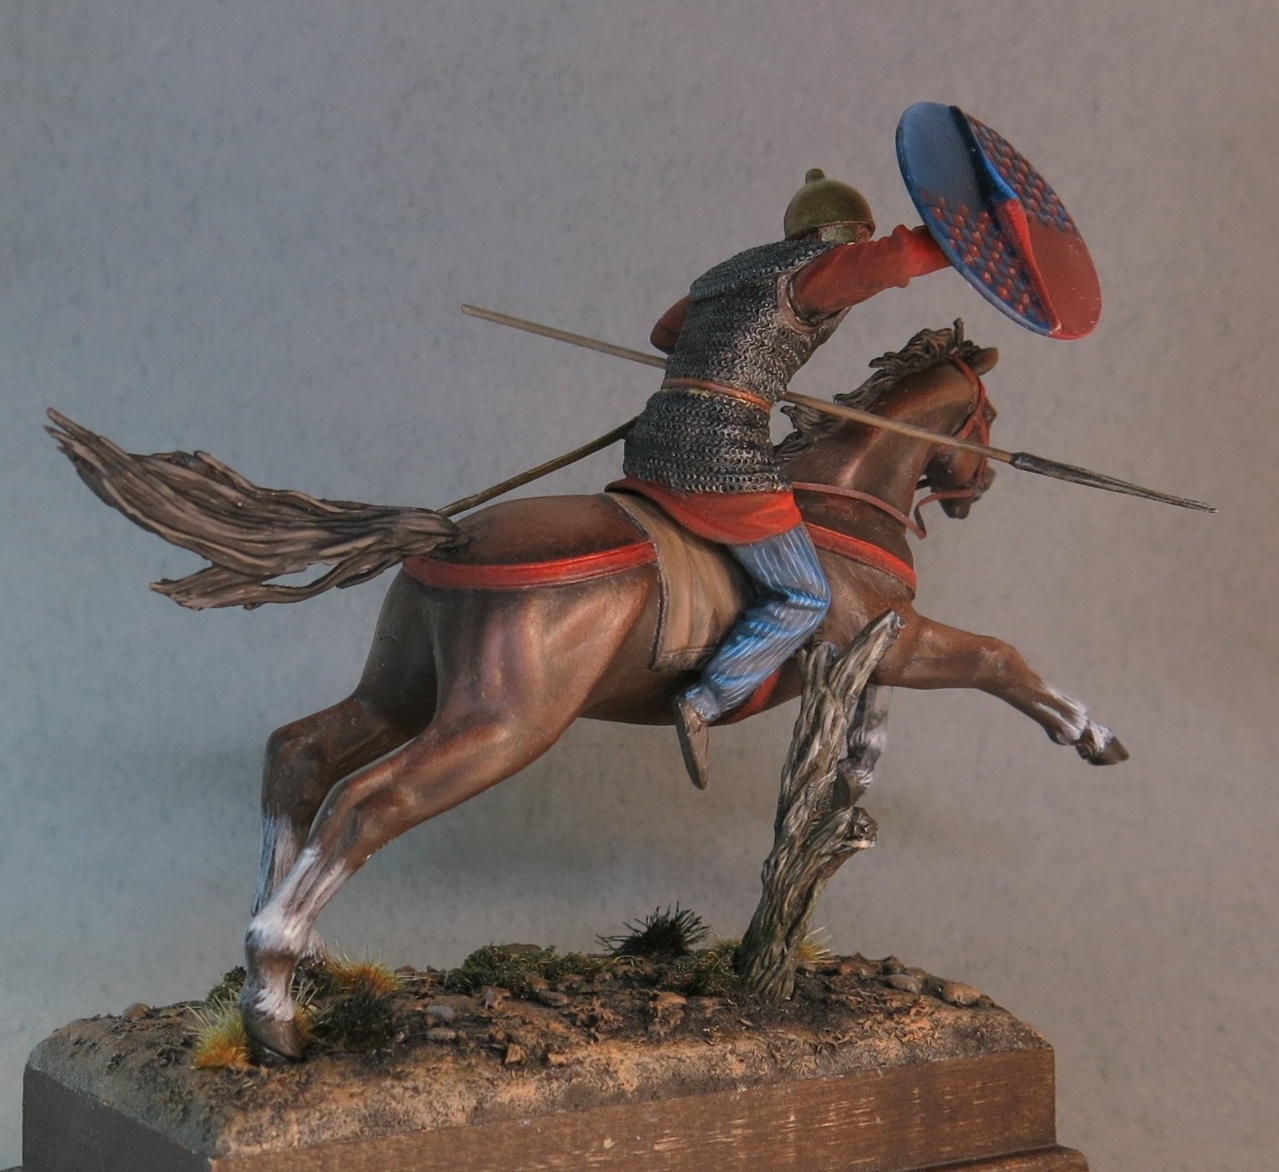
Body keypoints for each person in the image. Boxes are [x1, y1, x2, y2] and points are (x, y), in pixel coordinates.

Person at [614, 169, 950, 789]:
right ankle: (707, 698)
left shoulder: (732, 271)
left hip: (653, 441)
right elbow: (894, 260)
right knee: (804, 594)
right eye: (856, 240)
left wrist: (741, 365)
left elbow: (666, 334)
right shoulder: (818, 271)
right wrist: (967, 239)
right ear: (844, 236)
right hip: (721, 453)